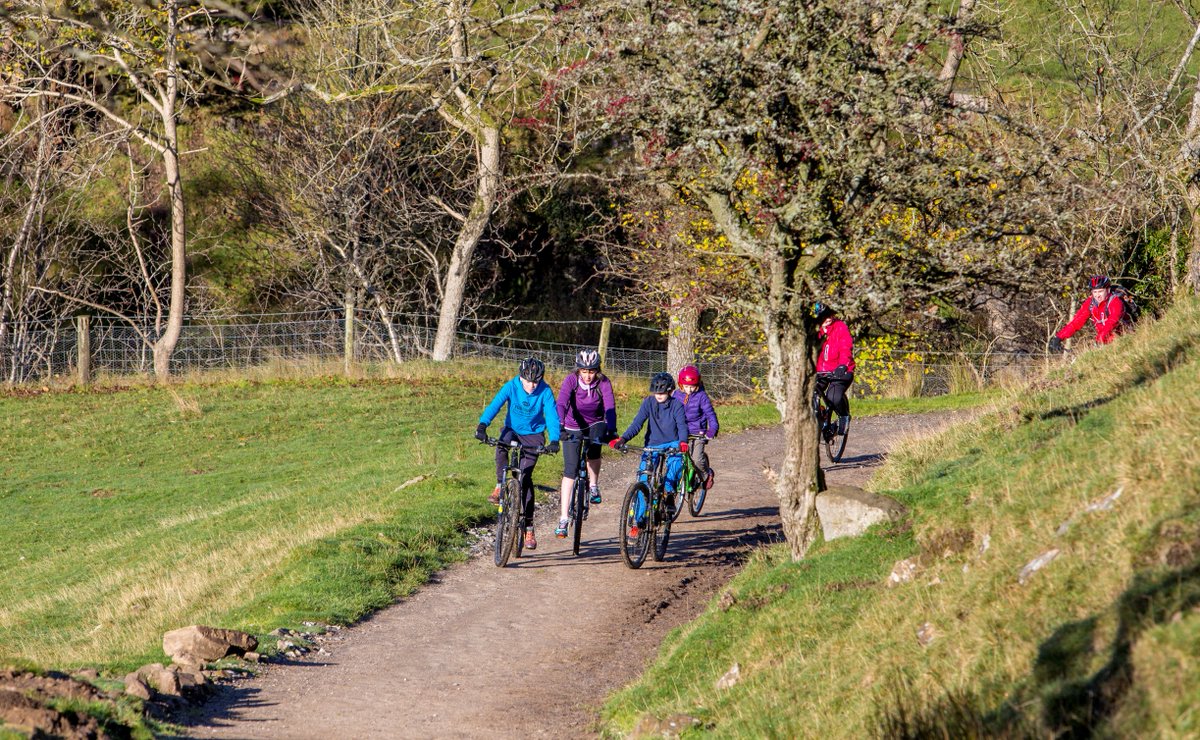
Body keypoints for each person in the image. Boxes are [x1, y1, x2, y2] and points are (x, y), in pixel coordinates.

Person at [475, 357, 560, 551]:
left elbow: (553, 415)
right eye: (527, 381)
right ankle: (499, 485)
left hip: (534, 435)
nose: (531, 385)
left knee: (526, 477)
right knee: (501, 445)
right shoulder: (511, 386)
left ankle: (528, 527)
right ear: (520, 377)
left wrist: (554, 440)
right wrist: (482, 425)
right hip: (512, 429)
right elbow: (495, 405)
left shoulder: (545, 391)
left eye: (535, 382)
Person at [609, 372, 689, 535]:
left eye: (662, 392)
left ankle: (668, 494)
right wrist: (623, 439)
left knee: (676, 463)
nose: (659, 395)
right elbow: (637, 423)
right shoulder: (648, 403)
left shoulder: (677, 406)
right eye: (656, 392)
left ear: (670, 391)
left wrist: (682, 442)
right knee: (643, 480)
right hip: (652, 445)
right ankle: (638, 522)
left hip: (672, 443)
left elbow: (682, 426)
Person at [554, 348, 618, 539]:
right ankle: (564, 519)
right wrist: (560, 425)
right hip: (573, 424)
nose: (588, 375)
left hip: (596, 423)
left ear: (597, 370)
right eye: (584, 371)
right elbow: (562, 403)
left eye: (591, 371)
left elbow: (610, 407)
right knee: (570, 471)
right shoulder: (571, 381)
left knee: (594, 451)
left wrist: (611, 430)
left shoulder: (604, 382)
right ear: (578, 370)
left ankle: (593, 485)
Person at [1049, 275, 1126, 351]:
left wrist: (1099, 340)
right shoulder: (1090, 303)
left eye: (1100, 291)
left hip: (1123, 339)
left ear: (1108, 290)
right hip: (1104, 343)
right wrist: (1059, 337)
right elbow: (1077, 322)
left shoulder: (1115, 302)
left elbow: (1112, 322)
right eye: (1095, 292)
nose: (1097, 295)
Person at [672, 365, 718, 490]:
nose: (689, 390)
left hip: (698, 431)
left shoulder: (701, 396)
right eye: (686, 386)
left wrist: (712, 429)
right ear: (681, 385)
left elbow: (710, 413)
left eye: (692, 386)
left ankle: (706, 474)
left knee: (696, 459)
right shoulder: (676, 395)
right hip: (680, 431)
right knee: (673, 457)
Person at [814, 302, 855, 436]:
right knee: (809, 393)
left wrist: (843, 365)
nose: (828, 318)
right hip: (820, 371)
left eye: (830, 315)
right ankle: (819, 418)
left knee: (833, 397)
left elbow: (845, 347)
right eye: (824, 316)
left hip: (840, 370)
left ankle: (843, 416)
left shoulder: (840, 327)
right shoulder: (814, 331)